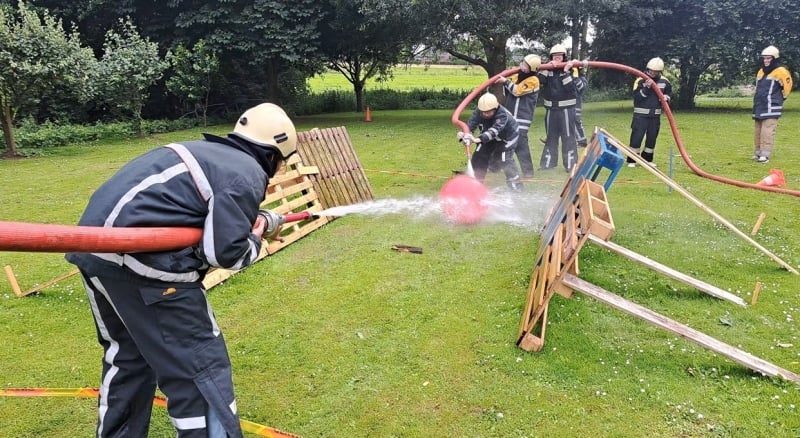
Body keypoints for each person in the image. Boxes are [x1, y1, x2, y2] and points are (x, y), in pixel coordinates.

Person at [66, 103, 297, 437]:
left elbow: (191, 210)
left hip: (95, 251)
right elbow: (225, 253)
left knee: (129, 358)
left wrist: (252, 219)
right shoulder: (246, 172)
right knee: (201, 369)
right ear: (275, 156)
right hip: (141, 264)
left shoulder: (208, 153)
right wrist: (257, 234)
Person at [457, 93, 523, 191]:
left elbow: (494, 131)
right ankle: (475, 186)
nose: (485, 114)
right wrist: (463, 134)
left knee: (504, 159)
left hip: (508, 137)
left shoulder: (502, 114)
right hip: (489, 136)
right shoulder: (478, 113)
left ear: (495, 108)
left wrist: (477, 140)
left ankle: (516, 188)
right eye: (483, 112)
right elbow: (471, 124)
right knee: (479, 155)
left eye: (489, 112)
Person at [494, 54, 541, 177]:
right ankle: (494, 166)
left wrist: (505, 81)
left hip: (522, 118)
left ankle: (528, 171)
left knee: (520, 144)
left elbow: (517, 91)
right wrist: (505, 79)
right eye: (523, 63)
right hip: (510, 116)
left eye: (526, 65)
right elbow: (509, 89)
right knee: (500, 140)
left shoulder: (533, 80)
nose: (523, 66)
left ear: (532, 69)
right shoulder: (518, 76)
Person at [539, 44, 582, 172]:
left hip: (566, 111)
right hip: (551, 111)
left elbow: (572, 89)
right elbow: (540, 80)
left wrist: (565, 72)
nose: (557, 58)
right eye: (554, 56)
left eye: (560, 56)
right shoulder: (547, 69)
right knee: (550, 138)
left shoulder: (572, 69)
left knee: (568, 137)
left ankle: (570, 165)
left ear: (564, 57)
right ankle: (548, 164)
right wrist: (547, 67)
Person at [627, 57, 672, 167]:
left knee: (652, 138)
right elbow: (637, 98)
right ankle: (632, 160)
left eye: (655, 72)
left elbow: (669, 94)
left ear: (659, 72)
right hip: (640, 116)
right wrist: (646, 88)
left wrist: (667, 97)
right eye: (650, 70)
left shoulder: (665, 82)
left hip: (655, 116)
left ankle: (647, 159)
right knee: (636, 137)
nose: (652, 73)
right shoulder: (640, 80)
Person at [752, 45, 793, 163]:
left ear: (774, 59)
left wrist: (781, 98)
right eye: (764, 58)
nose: (766, 61)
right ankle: (758, 152)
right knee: (758, 130)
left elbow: (787, 87)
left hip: (772, 105)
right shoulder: (761, 71)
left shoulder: (781, 71)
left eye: (768, 58)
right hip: (760, 105)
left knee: (767, 130)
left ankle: (765, 155)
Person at [573, 66, 589, 147]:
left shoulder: (582, 78)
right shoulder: (571, 77)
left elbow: (581, 88)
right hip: (570, 103)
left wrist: (576, 78)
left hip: (577, 104)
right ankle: (550, 139)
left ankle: (582, 141)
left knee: (576, 121)